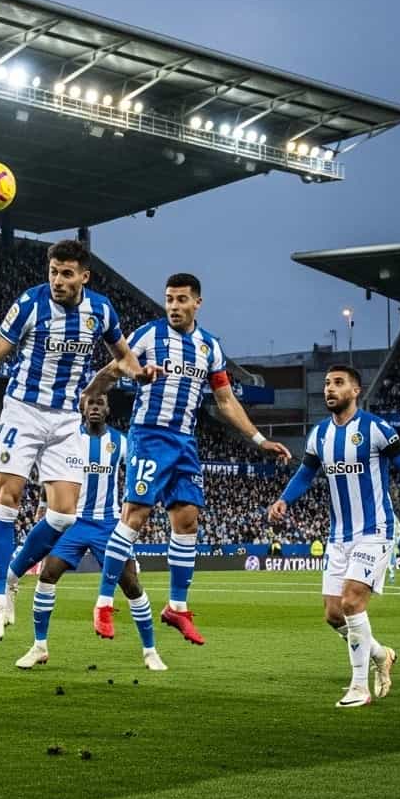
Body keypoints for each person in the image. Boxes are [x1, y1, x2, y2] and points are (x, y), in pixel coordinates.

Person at [0, 239, 159, 643]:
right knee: (7, 498)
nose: (57, 281)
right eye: (53, 272)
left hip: (65, 420)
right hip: (23, 411)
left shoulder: (101, 310)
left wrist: (139, 374)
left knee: (63, 515)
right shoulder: (30, 304)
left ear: (84, 276)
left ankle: (11, 578)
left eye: (66, 274)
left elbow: (122, 355)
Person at [83, 273, 291, 643]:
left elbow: (225, 400)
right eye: (169, 299)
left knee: (188, 521)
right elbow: (115, 369)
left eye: (181, 299)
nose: (174, 306)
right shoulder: (149, 335)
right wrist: (90, 392)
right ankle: (103, 603)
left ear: (197, 302)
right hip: (149, 436)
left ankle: (177, 607)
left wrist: (259, 439)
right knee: (136, 515)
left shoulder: (209, 347)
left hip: (184, 443)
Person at [268, 365, 400, 709]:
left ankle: (359, 687)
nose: (330, 388)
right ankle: (381, 654)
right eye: (327, 383)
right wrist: (284, 499)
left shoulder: (375, 428)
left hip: (374, 531)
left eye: (338, 383)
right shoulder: (319, 435)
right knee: (333, 614)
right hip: (338, 536)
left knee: (352, 601)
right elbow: (305, 473)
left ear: (355, 391)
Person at [16, 393, 167, 671]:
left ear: (108, 409)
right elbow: (53, 474)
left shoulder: (121, 442)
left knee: (131, 585)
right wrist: (43, 505)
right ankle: (39, 646)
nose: (95, 408)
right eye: (90, 404)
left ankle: (150, 651)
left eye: (100, 404)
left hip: (109, 524)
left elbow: (142, 472)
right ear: (83, 409)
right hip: (73, 522)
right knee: (47, 575)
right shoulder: (68, 438)